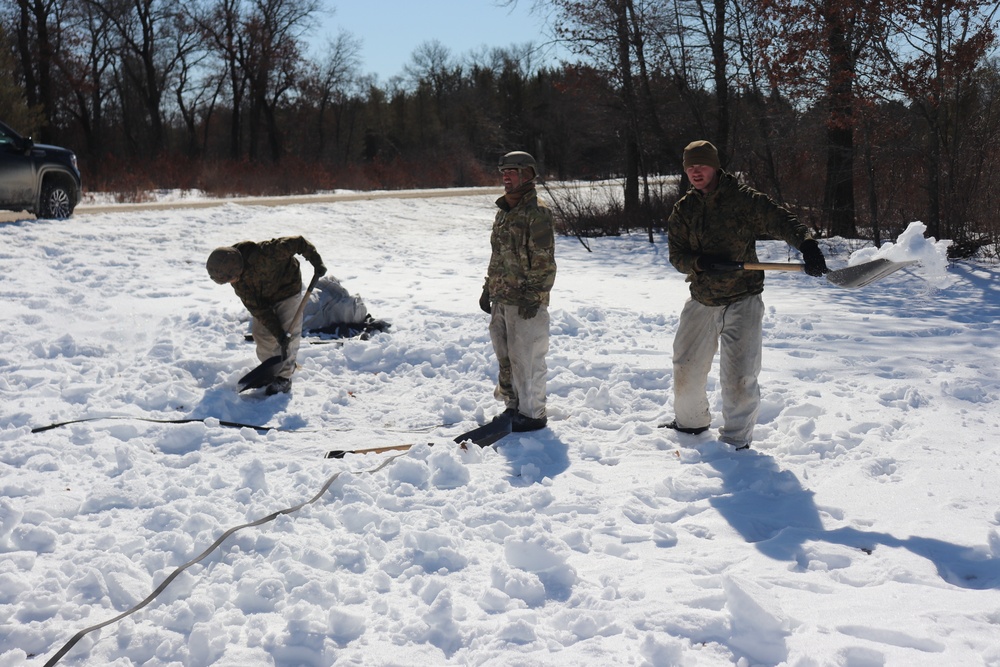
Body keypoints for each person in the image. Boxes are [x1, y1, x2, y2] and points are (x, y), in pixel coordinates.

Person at [664, 140, 828, 450]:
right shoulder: (684, 209)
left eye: (701, 164)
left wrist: (806, 244)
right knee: (685, 366)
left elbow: (781, 220)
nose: (695, 171)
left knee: (739, 378)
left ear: (714, 166)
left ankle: (736, 443)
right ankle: (690, 423)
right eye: (690, 166)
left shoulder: (743, 200)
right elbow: (677, 255)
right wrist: (700, 263)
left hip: (743, 299)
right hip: (702, 299)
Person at [480, 151, 557, 432]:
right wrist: (488, 288)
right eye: (503, 172)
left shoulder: (538, 212)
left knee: (528, 358)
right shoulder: (504, 212)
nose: (506, 177)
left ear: (527, 174)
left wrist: (534, 296)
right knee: (506, 358)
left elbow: (545, 261)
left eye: (512, 171)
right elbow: (497, 255)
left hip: (526, 301)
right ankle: (513, 407)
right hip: (502, 298)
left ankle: (533, 413)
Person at [206, 236, 326, 395]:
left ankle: (284, 378)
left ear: (237, 269)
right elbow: (260, 310)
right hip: (265, 297)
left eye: (231, 279)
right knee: (261, 333)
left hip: (288, 288)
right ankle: (271, 369)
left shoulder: (267, 253)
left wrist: (316, 261)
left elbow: (298, 242)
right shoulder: (239, 284)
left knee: (290, 331)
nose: (232, 282)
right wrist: (278, 334)